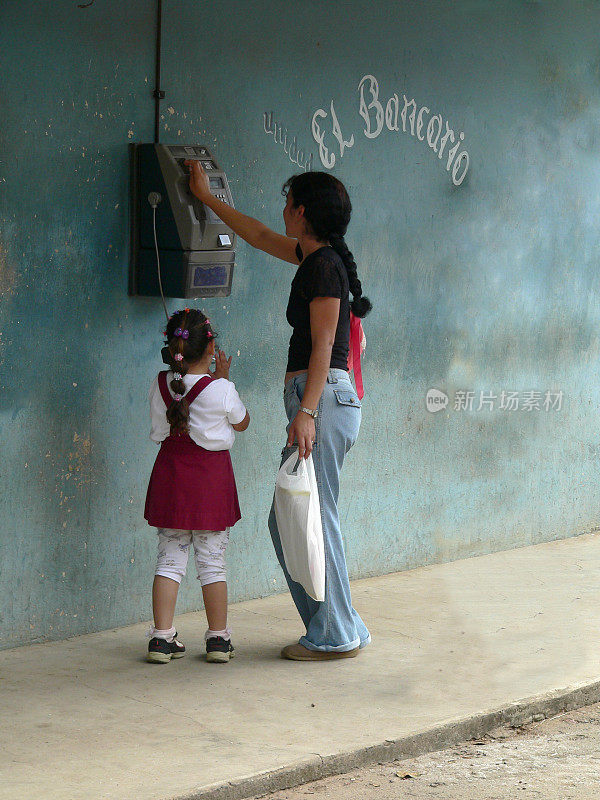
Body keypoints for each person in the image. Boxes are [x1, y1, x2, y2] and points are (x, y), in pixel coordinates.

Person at [185, 160, 373, 661]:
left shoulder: (326, 266)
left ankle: (334, 633)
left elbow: (324, 344)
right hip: (319, 401)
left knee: (312, 516)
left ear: (302, 211)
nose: (281, 211)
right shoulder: (313, 257)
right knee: (295, 517)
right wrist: (205, 197)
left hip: (323, 402)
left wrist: (307, 412)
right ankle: (338, 625)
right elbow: (258, 234)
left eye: (287, 202)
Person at [144, 308, 250, 664]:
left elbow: (160, 433)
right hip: (209, 484)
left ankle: (161, 638)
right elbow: (242, 422)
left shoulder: (161, 385)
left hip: (172, 480)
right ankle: (218, 640)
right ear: (211, 348)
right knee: (213, 562)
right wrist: (223, 380)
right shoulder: (222, 389)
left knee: (169, 559)